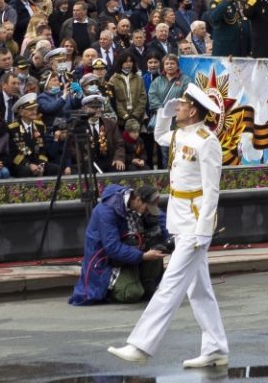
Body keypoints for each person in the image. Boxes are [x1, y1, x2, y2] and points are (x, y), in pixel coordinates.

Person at [108, 84, 230, 369]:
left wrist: (203, 229)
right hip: (180, 216)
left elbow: (212, 190)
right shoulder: (180, 134)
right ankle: (215, 347)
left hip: (195, 222)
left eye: (182, 105)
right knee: (198, 290)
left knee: (171, 283)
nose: (179, 107)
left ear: (194, 110)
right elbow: (161, 135)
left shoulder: (206, 141)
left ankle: (141, 344)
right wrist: (163, 112)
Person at [71, 184, 168, 305]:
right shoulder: (106, 211)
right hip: (107, 262)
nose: (148, 212)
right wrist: (142, 256)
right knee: (131, 293)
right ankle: (110, 290)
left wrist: (170, 240)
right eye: (147, 208)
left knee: (158, 251)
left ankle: (145, 285)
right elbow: (112, 248)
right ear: (138, 199)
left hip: (131, 255)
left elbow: (160, 217)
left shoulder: (136, 203)